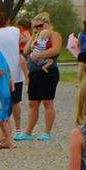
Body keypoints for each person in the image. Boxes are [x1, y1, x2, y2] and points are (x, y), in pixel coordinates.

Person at [24, 13, 62, 141]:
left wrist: (41, 55)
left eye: (40, 26)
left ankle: (47, 131)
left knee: (47, 101)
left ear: (47, 23)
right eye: (35, 26)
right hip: (34, 72)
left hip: (48, 72)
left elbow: (55, 50)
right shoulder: (37, 36)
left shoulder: (54, 35)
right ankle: (28, 132)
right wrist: (33, 36)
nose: (38, 28)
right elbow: (26, 51)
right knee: (33, 103)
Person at [0, 13, 28, 141]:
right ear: (8, 21)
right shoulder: (15, 30)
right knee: (16, 101)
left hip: (1, 70)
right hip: (16, 70)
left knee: (2, 102)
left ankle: (4, 132)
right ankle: (18, 130)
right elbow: (25, 38)